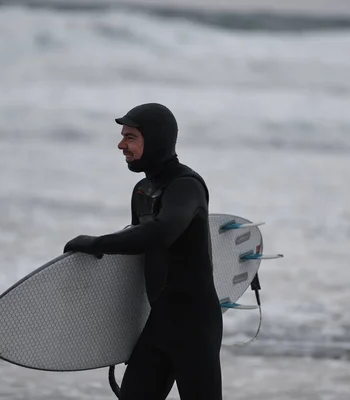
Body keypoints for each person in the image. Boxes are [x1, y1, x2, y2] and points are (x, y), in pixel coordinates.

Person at [63, 103, 223, 399]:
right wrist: (124, 334)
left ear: (157, 140)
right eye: (123, 136)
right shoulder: (142, 191)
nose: (121, 145)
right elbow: (137, 264)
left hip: (195, 328)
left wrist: (98, 244)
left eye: (131, 137)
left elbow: (161, 234)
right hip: (158, 325)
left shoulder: (186, 187)